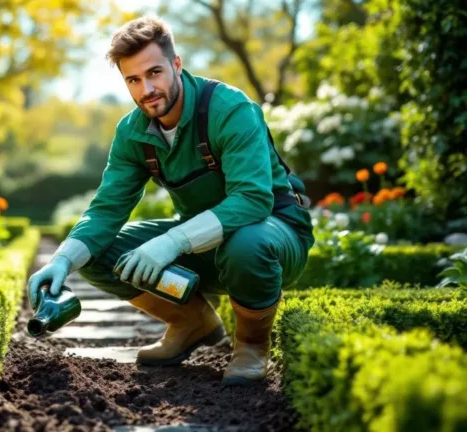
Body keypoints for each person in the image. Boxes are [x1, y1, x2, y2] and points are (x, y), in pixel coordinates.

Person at [27, 15, 315, 386]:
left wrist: (170, 243)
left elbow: (252, 201)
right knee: (97, 253)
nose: (147, 89)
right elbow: (106, 210)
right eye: (133, 79)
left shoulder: (229, 109)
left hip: (273, 235)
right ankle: (191, 322)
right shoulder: (132, 132)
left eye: (154, 73)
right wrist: (62, 261)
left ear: (176, 65)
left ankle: (251, 346)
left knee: (246, 242)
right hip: (204, 242)